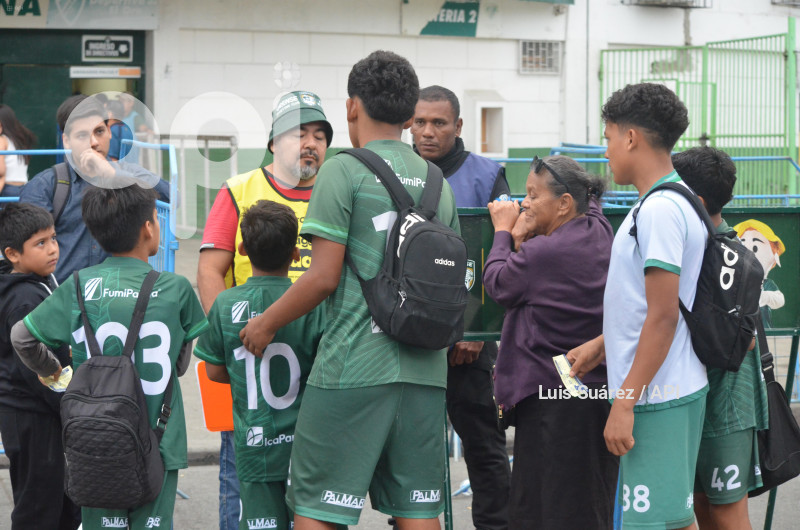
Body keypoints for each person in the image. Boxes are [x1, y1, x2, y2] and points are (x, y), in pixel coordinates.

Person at [240, 50, 460, 530]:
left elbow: (322, 278)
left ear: (351, 107)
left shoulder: (343, 170)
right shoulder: (438, 183)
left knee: (319, 510)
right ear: (408, 115)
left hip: (353, 368)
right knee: (419, 510)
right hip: (425, 371)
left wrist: (265, 322)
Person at [11, 184, 208, 530]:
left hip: (95, 437)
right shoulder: (175, 289)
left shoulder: (77, 284)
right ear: (149, 227)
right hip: (159, 439)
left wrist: (55, 370)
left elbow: (22, 337)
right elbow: (178, 364)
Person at [569, 83, 707, 530]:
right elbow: (653, 307)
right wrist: (603, 345)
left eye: (608, 137)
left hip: (655, 395)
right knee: (672, 520)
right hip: (662, 388)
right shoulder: (668, 200)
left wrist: (625, 403)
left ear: (630, 138)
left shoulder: (660, 210)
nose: (606, 150)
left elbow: (664, 315)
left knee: (654, 523)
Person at [197, 90, 332, 529]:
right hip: (252, 359)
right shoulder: (239, 189)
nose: (310, 143)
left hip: (321, 367)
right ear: (274, 141)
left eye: (319, 135)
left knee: (314, 489)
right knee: (243, 477)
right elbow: (210, 271)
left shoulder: (338, 191)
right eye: (298, 133)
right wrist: (235, 336)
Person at [483, 155, 618, 528]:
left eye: (532, 195)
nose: (524, 203)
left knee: (546, 507)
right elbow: (588, 198)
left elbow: (498, 283)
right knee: (589, 502)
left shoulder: (544, 252)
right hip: (593, 394)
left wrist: (504, 234)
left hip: (550, 401)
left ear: (563, 204)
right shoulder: (599, 228)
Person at [410, 85, 511, 530]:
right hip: (411, 336)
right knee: (413, 452)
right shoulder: (400, 171)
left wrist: (473, 328)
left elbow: (503, 250)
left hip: (471, 343)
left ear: (458, 126)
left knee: (484, 447)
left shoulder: (488, 176)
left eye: (439, 123)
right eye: (419, 122)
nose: (428, 132)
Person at [672, 146, 769, 529]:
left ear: (693, 200)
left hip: (727, 402)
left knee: (727, 513)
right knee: (696, 506)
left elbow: (743, 340)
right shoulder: (683, 245)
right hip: (688, 396)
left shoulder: (728, 254)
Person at [20, 94, 169, 284]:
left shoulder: (130, 173)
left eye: (99, 131)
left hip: (119, 297)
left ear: (110, 131)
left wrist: (113, 177)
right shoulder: (46, 186)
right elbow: (25, 247)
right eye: (82, 135)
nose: (93, 143)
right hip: (66, 298)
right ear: (66, 141)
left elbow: (172, 198)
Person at [0, 203, 80, 530]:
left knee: (61, 500)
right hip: (32, 412)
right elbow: (32, 368)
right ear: (13, 254)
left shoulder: (38, 283)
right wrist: (68, 405)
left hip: (42, 409)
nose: (53, 249)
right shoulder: (24, 300)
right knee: (37, 505)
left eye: (53, 239)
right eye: (40, 243)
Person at [0, 104, 37, 197]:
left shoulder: (2, 140)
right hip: (23, 188)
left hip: (6, 188)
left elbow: (0, 170)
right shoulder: (19, 140)